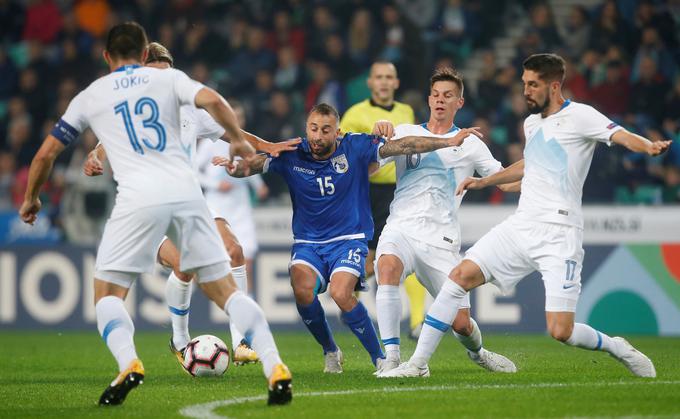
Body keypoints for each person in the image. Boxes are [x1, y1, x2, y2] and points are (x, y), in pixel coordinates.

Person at [20, 23, 293, 405]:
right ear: (145, 53)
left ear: (106, 56)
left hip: (139, 202)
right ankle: (274, 363)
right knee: (225, 290)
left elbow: (46, 154)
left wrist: (32, 198)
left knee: (108, 294)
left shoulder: (95, 95)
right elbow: (214, 100)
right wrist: (243, 144)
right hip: (185, 194)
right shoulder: (172, 84)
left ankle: (129, 361)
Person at [381, 53, 670, 378]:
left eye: (533, 85)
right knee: (459, 278)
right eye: (524, 84)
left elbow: (619, 134)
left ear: (554, 85)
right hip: (521, 225)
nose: (526, 91)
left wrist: (646, 146)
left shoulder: (581, 116)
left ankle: (617, 346)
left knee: (562, 330)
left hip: (560, 231)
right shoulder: (532, 123)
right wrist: (484, 181)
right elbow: (529, 166)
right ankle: (416, 365)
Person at [215, 103, 481, 373]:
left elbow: (405, 145)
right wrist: (234, 168)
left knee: (341, 293)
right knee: (302, 290)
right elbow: (252, 167)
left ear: (337, 132)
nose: (318, 136)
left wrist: (447, 141)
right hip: (308, 243)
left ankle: (380, 357)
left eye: (325, 130)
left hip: (349, 238)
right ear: (306, 128)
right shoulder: (292, 153)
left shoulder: (355, 146)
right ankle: (331, 350)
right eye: (313, 129)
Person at [83, 42, 298, 367]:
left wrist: (270, 145)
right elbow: (103, 147)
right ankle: (180, 339)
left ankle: (241, 342)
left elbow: (234, 133)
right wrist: (94, 157)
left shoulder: (189, 111)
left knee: (234, 252)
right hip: (145, 209)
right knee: (185, 265)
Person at [374, 67, 518, 376]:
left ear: (460, 103)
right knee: (387, 268)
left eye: (448, 96)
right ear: (428, 99)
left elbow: (504, 181)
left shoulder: (471, 143)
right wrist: (379, 132)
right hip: (401, 227)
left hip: (441, 241)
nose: (440, 101)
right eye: (436, 95)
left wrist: (542, 180)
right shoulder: (403, 132)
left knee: (462, 324)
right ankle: (392, 358)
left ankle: (479, 353)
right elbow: (371, 168)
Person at [340, 61, 427, 340]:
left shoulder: (406, 111)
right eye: (379, 77)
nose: (384, 82)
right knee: (369, 261)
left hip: (399, 192)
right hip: (366, 194)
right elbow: (343, 153)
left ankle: (417, 322)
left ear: (396, 82)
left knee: (407, 253)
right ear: (370, 82)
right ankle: (347, 295)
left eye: (389, 77)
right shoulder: (355, 114)